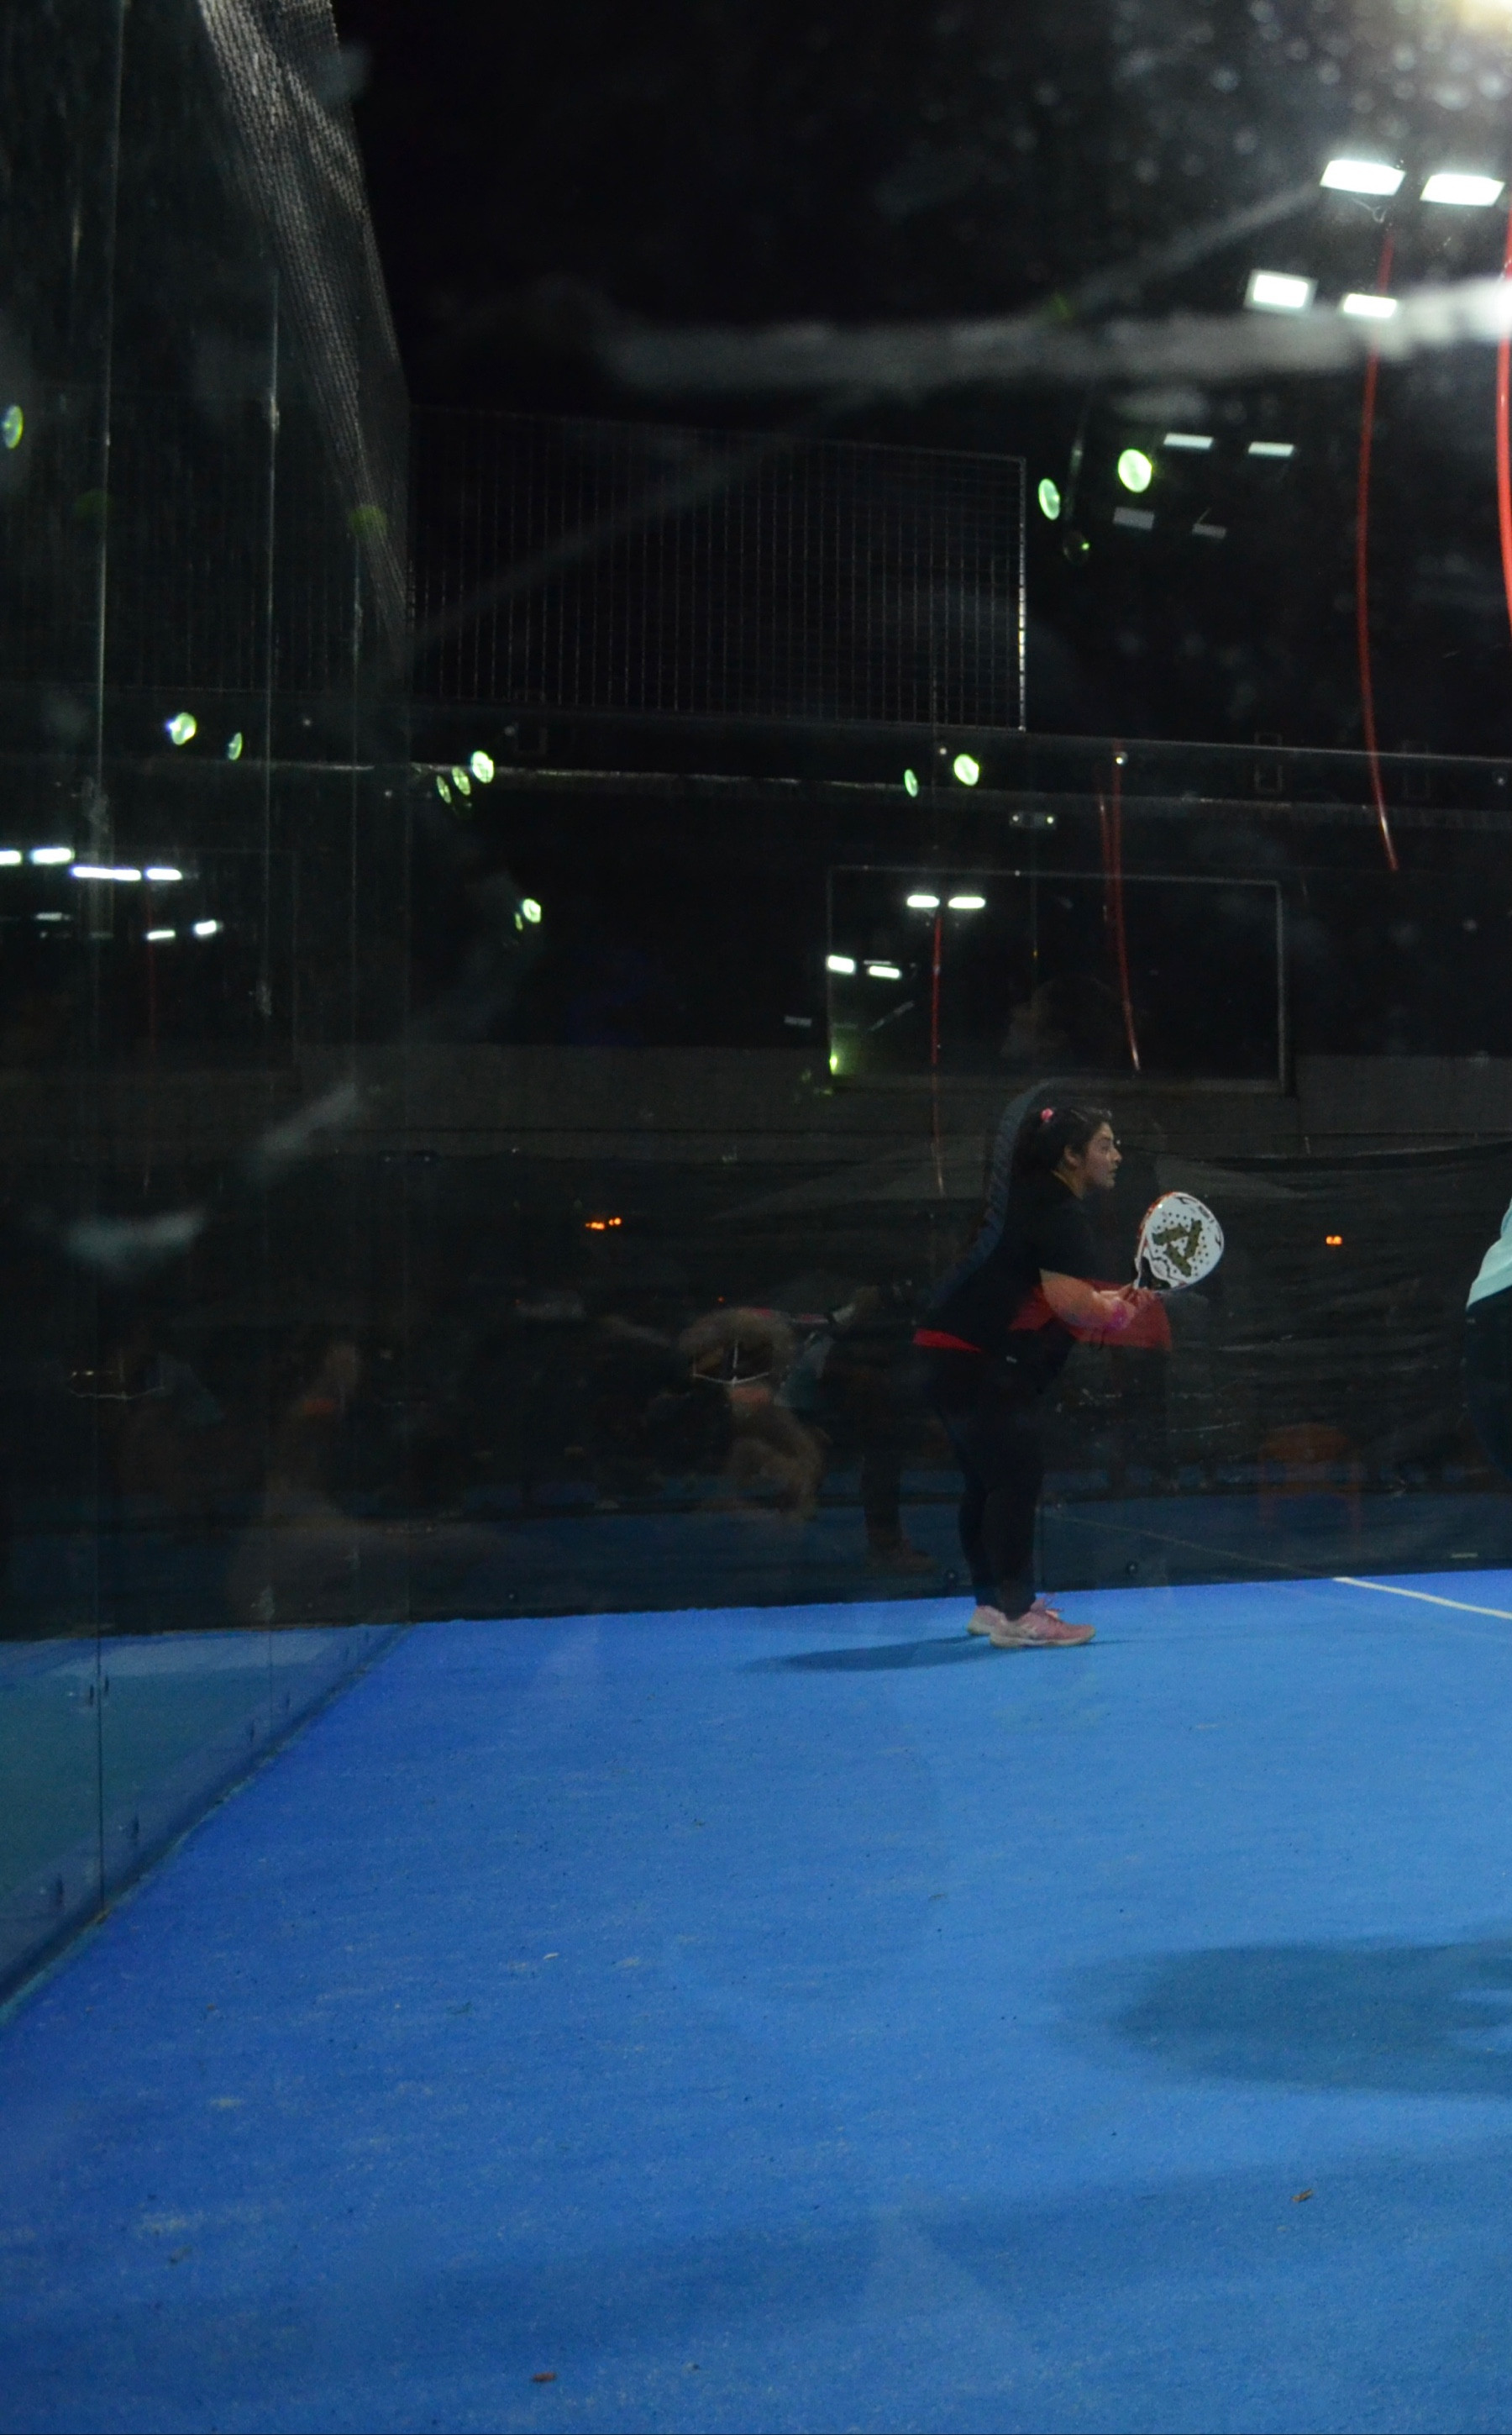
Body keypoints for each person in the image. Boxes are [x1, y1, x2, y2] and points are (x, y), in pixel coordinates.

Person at [914, 1099, 1160, 1649]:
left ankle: (991, 1607)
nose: (1116, 1156)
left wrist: (1111, 1303)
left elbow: (1057, 1297)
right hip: (974, 1358)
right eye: (1104, 1146)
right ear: (1071, 1155)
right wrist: (1120, 1312)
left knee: (986, 1482)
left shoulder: (1028, 1199)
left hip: (940, 1352)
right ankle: (1020, 1614)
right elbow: (1073, 1304)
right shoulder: (1059, 1211)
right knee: (1014, 1478)